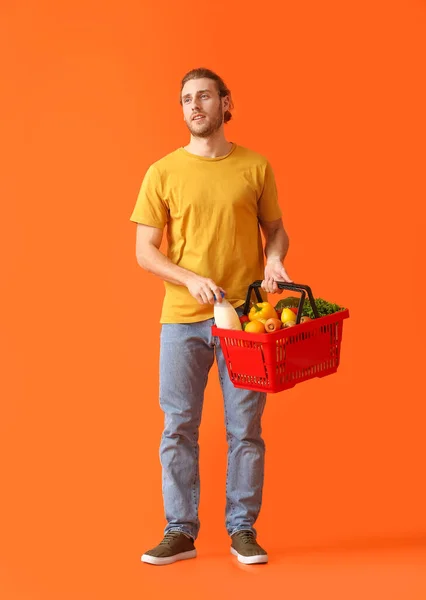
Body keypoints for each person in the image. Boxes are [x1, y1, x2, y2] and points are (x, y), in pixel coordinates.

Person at [130, 67, 292, 566]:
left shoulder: (255, 166)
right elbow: (144, 251)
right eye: (185, 99)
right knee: (178, 425)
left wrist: (274, 259)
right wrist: (187, 278)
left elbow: (277, 231)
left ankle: (242, 529)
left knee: (245, 429)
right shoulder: (162, 172)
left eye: (204, 96)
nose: (194, 106)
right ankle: (180, 530)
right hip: (181, 318)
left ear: (226, 103)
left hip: (244, 320)